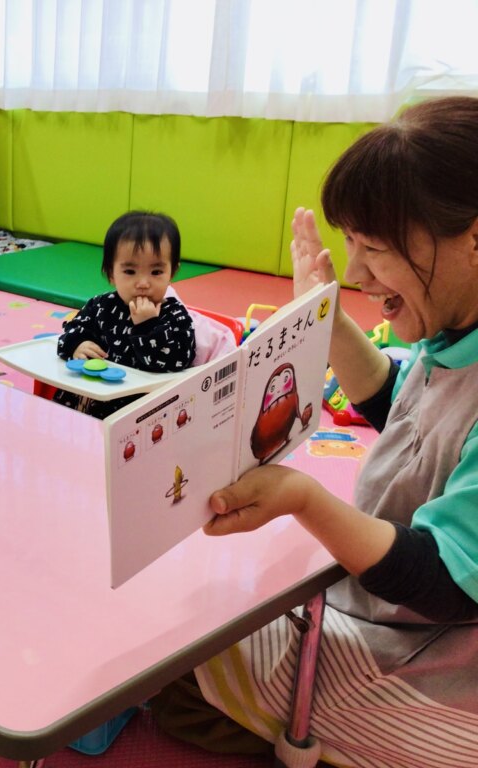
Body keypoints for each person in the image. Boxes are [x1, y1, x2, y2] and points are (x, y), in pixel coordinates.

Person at [152, 96, 478, 768]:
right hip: (391, 609)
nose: (356, 273)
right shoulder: (456, 329)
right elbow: (407, 412)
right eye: (351, 245)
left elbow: (444, 579)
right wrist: (321, 316)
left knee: (172, 674)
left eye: (375, 248)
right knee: (195, 616)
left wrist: (304, 499)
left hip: (439, 658)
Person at [55, 211, 196, 419]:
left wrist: (147, 326)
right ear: (111, 274)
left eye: (156, 272)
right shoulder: (101, 306)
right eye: (130, 272)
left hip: (140, 415)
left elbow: (177, 361)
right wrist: (77, 344)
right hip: (84, 400)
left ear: (172, 273)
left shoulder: (175, 316)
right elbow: (70, 332)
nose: (143, 283)